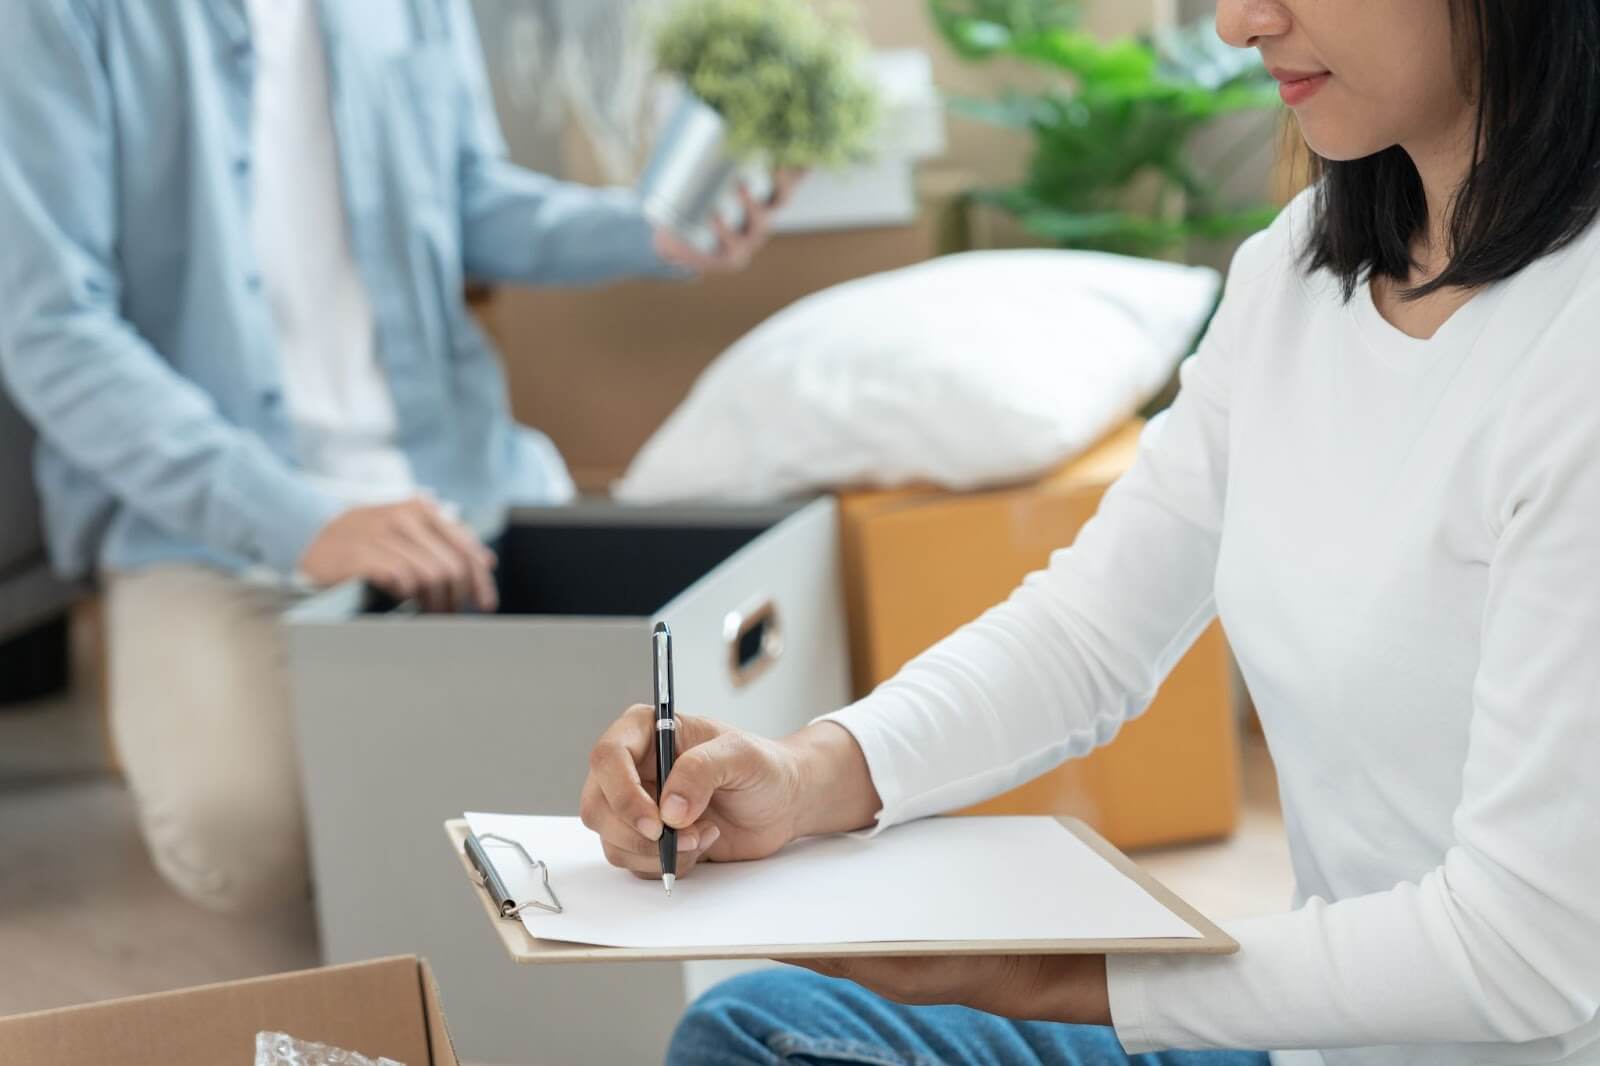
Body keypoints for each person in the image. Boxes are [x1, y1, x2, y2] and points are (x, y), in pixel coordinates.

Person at [579, 0, 1600, 1063]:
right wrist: (805, 774)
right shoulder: (1297, 269)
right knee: (761, 1031)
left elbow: (1519, 951)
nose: (1237, 22)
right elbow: (1090, 630)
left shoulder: (1575, 354)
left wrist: (1048, 975)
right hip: (1323, 1043)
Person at [0, 0, 791, 913]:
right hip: (207, 526)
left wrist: (643, 233)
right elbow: (55, 330)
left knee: (657, 769)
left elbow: (465, 195)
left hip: (453, 478)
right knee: (243, 842)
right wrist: (305, 522)